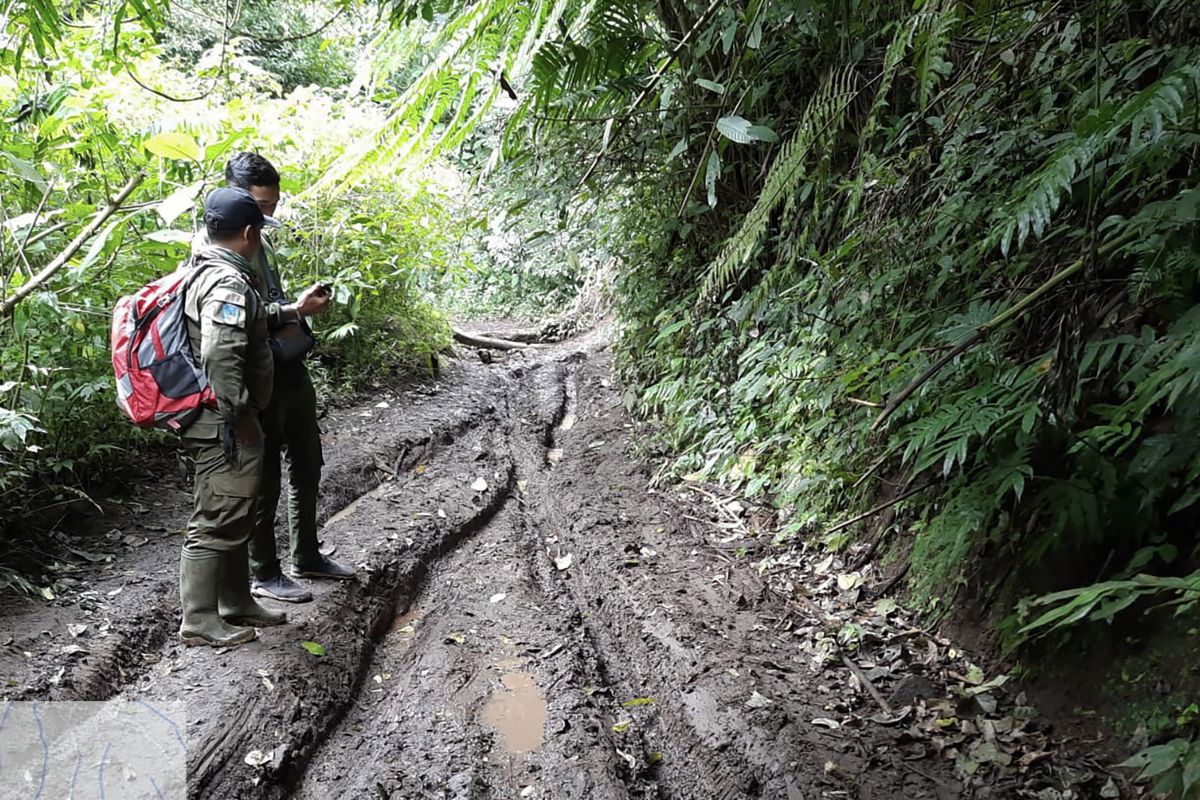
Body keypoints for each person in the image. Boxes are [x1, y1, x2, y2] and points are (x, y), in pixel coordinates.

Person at [221, 152, 355, 603]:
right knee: (266, 478)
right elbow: (237, 321)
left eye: (274, 203)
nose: (270, 214)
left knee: (307, 461)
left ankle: (307, 554)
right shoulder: (217, 250)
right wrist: (295, 309)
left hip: (287, 365)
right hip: (258, 375)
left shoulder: (262, 236)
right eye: (262, 205)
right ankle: (265, 571)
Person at [178, 187, 286, 646]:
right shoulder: (226, 282)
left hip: (217, 417)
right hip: (222, 422)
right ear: (248, 232)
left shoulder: (202, 270)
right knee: (216, 516)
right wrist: (238, 413)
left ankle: (236, 601)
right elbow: (220, 352)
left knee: (234, 509)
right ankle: (200, 619)